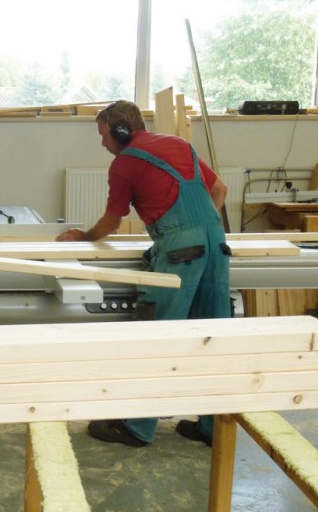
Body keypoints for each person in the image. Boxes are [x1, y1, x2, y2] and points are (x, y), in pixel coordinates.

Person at [56, 100, 231, 448]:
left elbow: (112, 221)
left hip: (181, 253)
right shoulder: (179, 145)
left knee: (156, 336)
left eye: (104, 134)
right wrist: (199, 227)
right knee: (212, 340)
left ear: (121, 132)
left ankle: (136, 427)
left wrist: (84, 236)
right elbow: (219, 191)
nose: (102, 143)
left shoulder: (125, 163)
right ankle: (214, 429)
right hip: (217, 243)